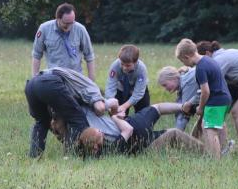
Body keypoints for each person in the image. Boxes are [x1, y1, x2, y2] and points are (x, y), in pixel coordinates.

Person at [71, 101, 206, 157]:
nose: (101, 131)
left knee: (159, 111)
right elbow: (128, 130)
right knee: (174, 133)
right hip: (144, 147)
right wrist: (115, 118)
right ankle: (207, 154)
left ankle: (183, 108)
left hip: (139, 133)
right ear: (95, 147)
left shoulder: (96, 148)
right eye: (98, 133)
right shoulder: (112, 148)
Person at [24, 67, 106, 158]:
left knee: (42, 122)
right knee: (78, 120)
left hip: (31, 85)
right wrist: (113, 108)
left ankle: (34, 156)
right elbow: (100, 108)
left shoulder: (79, 84)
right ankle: (71, 156)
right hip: (50, 82)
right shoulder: (93, 88)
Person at [175, 38, 232, 159]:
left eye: (182, 61)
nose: (184, 64)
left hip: (215, 100)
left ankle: (215, 159)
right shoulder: (208, 59)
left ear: (186, 57)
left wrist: (200, 108)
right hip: (225, 98)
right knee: (218, 125)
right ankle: (223, 151)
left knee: (209, 130)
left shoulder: (200, 68)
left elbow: (205, 91)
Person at [31, 3, 96, 80]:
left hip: (75, 78)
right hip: (53, 78)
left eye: (72, 23)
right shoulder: (44, 29)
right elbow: (36, 55)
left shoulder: (80, 30)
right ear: (58, 18)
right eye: (66, 23)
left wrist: (91, 83)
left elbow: (89, 56)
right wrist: (34, 80)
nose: (69, 27)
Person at [105, 45, 150, 116]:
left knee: (144, 114)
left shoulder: (141, 69)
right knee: (118, 115)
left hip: (138, 90)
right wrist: (112, 103)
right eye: (122, 64)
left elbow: (138, 93)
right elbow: (110, 87)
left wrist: (124, 106)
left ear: (135, 62)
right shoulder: (115, 66)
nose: (124, 68)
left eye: (128, 65)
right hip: (121, 89)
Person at [157, 66, 200, 132]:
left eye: (165, 85)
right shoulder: (182, 81)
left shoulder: (187, 82)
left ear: (173, 78)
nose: (165, 89)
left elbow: (185, 111)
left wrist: (176, 135)